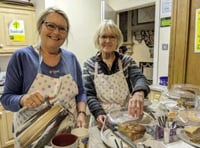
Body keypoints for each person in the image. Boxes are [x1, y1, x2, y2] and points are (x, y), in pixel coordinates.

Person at [0, 7, 87, 146]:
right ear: (40, 27)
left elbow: (81, 92)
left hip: (67, 135)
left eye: (62, 28)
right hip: (32, 137)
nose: (56, 32)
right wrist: (23, 99)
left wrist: (82, 112)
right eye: (50, 25)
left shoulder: (71, 58)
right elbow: (6, 99)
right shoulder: (23, 57)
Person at [83, 20, 150, 129]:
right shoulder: (89, 65)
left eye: (112, 37)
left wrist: (139, 92)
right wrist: (98, 112)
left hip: (126, 116)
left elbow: (139, 77)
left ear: (117, 40)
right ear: (98, 39)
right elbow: (89, 94)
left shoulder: (126, 61)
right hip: (101, 118)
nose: (108, 40)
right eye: (103, 37)